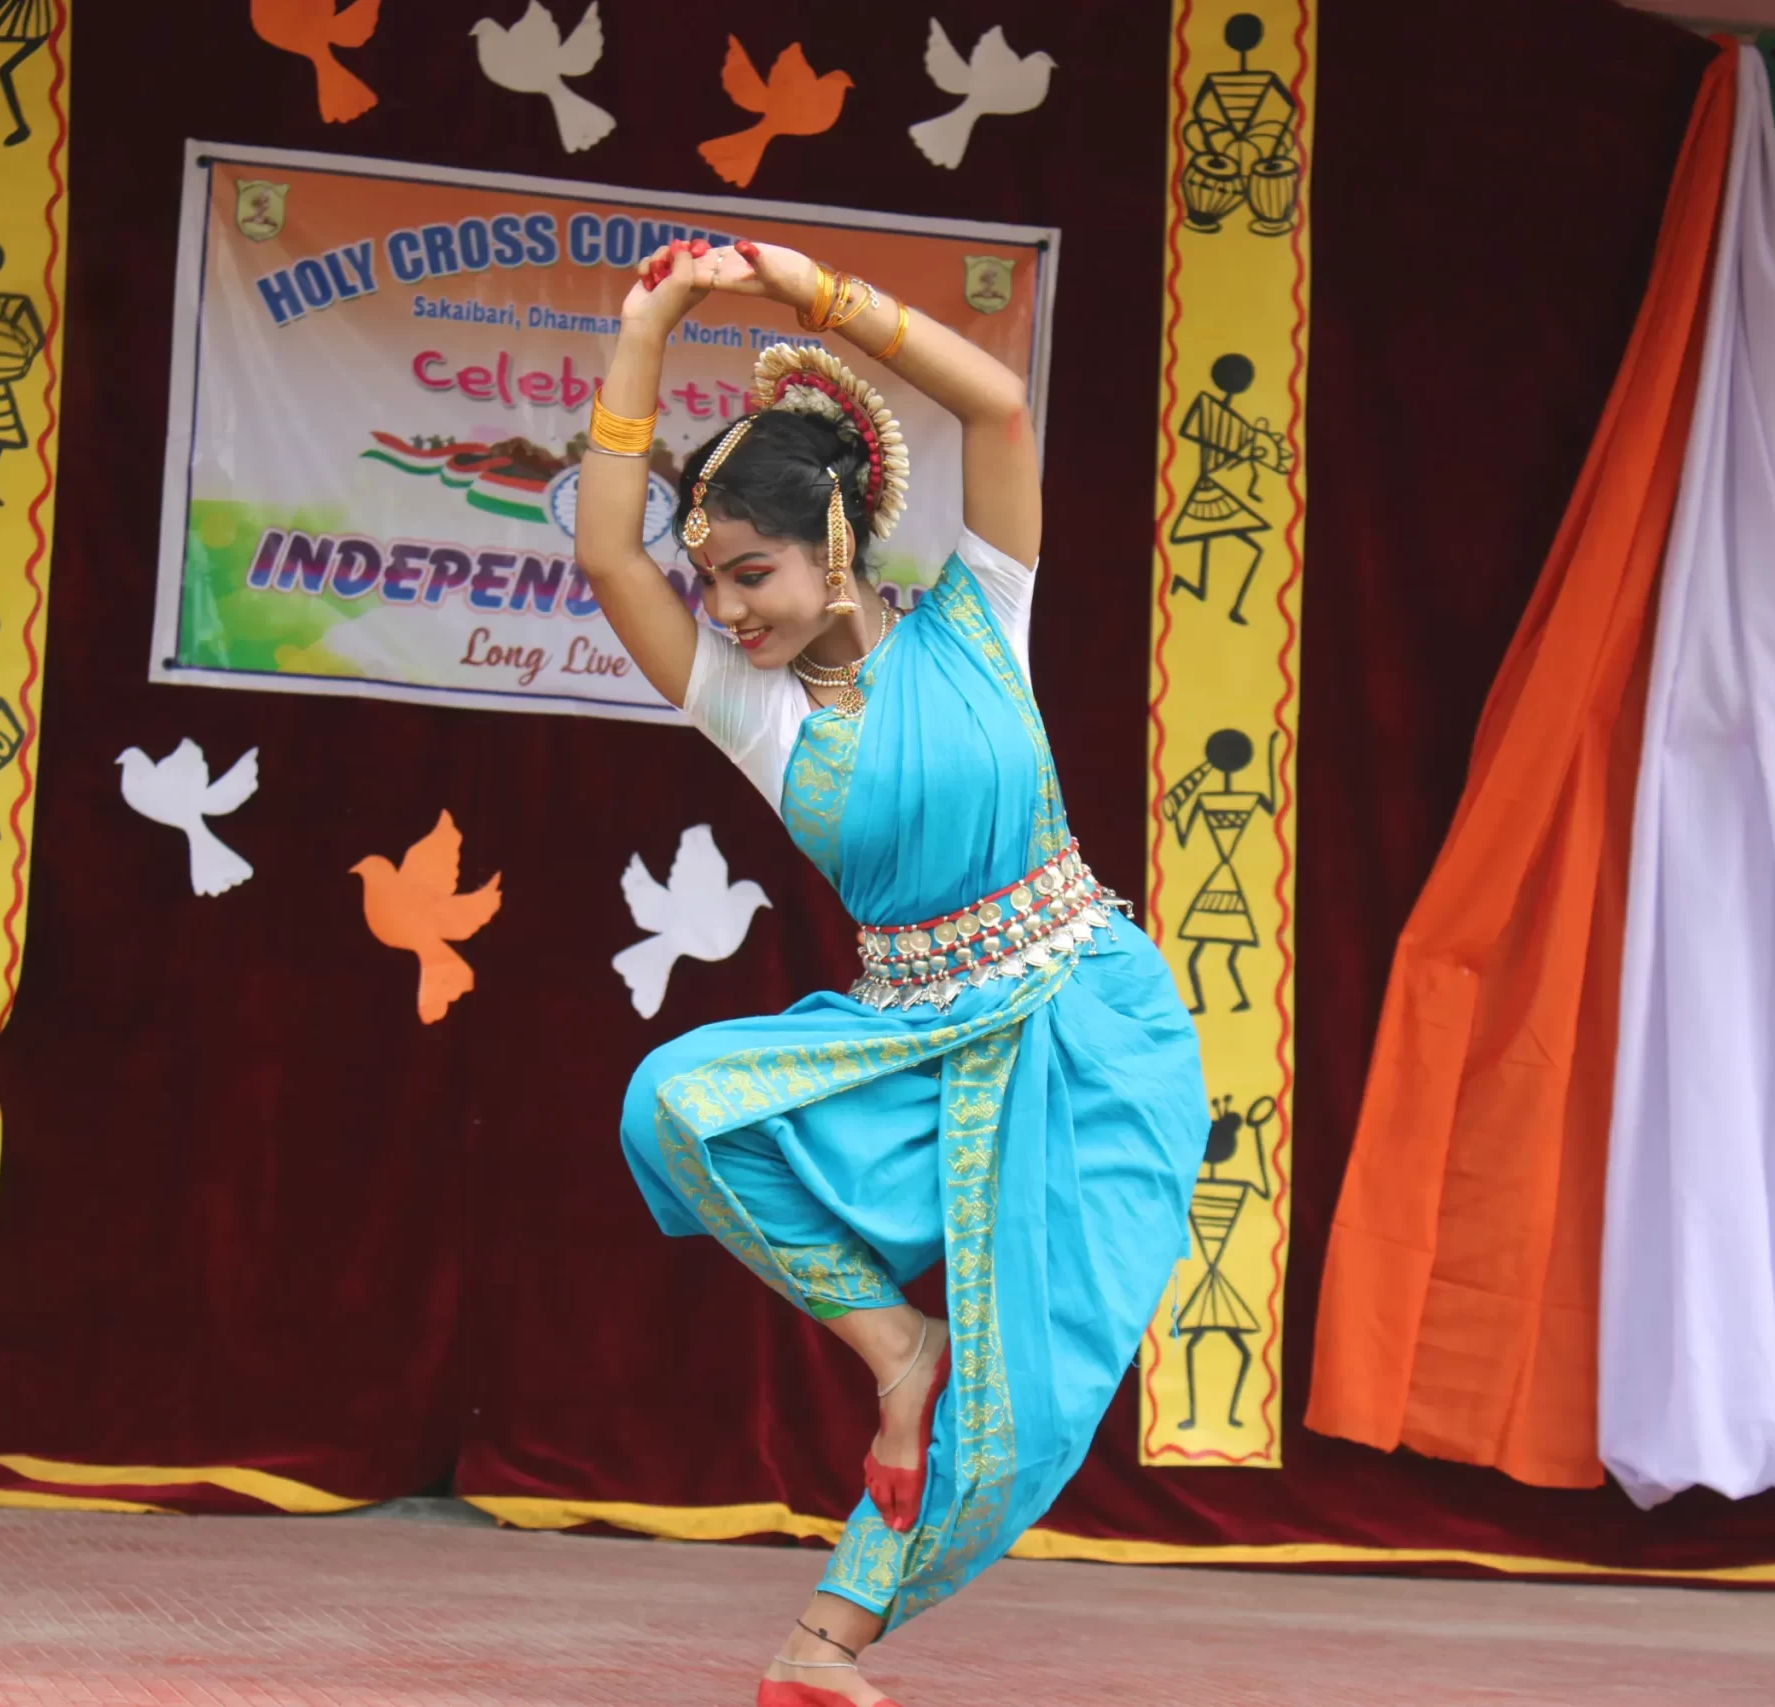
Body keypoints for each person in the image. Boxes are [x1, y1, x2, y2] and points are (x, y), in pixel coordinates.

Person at [576, 238, 1206, 1707]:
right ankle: (898, 1350)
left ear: (836, 542)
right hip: (914, 1048)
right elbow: (607, 555)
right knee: (673, 1102)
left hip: (1089, 1029)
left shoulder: (985, 613)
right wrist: (648, 327)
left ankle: (826, 1643)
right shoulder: (755, 707)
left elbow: (998, 407)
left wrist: (817, 295)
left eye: (752, 573)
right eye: (710, 581)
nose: (728, 609)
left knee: (1035, 1394)